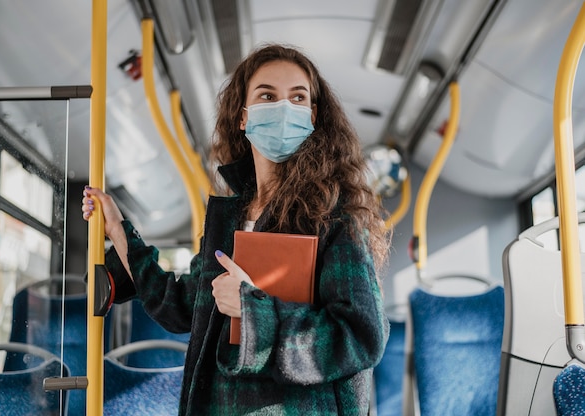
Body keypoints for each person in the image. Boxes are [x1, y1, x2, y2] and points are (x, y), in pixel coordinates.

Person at [82, 43, 391, 415]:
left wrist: (252, 311)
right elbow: (183, 308)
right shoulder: (228, 217)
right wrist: (119, 232)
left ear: (312, 116)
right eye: (267, 95)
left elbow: (360, 335)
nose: (283, 108)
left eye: (297, 97)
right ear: (243, 117)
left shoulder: (333, 214)